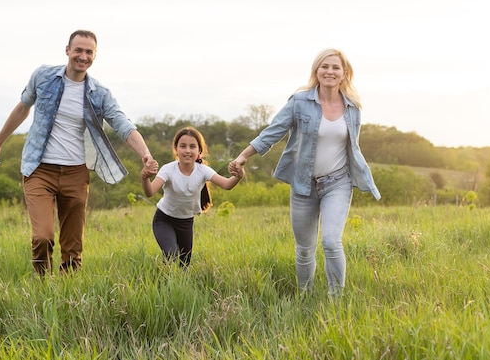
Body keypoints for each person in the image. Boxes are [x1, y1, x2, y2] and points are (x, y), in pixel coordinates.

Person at [0, 29, 158, 276]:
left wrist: (145, 153)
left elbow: (122, 124)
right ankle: (41, 288)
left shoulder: (99, 93)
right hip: (39, 169)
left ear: (95, 55)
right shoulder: (43, 76)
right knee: (42, 236)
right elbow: (22, 108)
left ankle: (67, 294)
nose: (83, 56)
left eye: (89, 52)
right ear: (67, 50)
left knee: (73, 246)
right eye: (78, 50)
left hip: (75, 172)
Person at [228, 48, 380, 298]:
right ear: (316, 71)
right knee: (305, 249)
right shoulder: (299, 102)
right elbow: (273, 132)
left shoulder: (353, 108)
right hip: (304, 185)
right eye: (325, 66)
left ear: (344, 73)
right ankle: (305, 297)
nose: (329, 71)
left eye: (335, 67)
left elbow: (352, 146)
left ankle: (336, 300)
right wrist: (244, 155)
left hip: (338, 183)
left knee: (331, 241)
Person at [141, 126, 244, 267]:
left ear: (199, 151)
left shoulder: (203, 171)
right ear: (176, 149)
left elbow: (226, 184)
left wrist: (239, 176)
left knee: (184, 265)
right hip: (164, 220)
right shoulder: (168, 169)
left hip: (186, 223)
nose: (187, 150)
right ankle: (163, 283)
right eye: (183, 146)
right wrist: (145, 178)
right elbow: (150, 191)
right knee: (171, 255)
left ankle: (178, 286)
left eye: (192, 146)